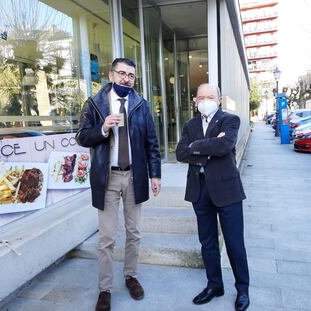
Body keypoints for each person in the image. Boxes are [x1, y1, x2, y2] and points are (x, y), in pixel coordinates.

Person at [76, 58, 161, 311]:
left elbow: (152, 143)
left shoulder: (141, 105)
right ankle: (105, 289)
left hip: (134, 176)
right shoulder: (95, 103)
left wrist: (155, 175)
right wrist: (102, 128)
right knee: (107, 237)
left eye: (131, 76)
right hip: (108, 177)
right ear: (111, 75)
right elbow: (81, 137)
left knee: (134, 232)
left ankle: (131, 276)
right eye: (122, 74)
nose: (127, 79)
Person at [176, 83, 250, 311]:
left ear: (219, 100)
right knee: (207, 243)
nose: (205, 100)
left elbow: (224, 146)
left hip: (227, 191)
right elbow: (180, 152)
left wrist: (196, 147)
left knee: (234, 243)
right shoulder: (190, 124)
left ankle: (243, 289)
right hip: (200, 190)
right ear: (195, 100)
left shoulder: (230, 120)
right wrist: (209, 145)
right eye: (200, 97)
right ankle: (214, 285)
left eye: (210, 96)